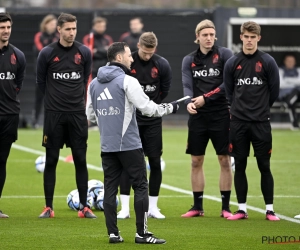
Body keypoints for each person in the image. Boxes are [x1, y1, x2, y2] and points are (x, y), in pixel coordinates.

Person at [86, 42, 178, 244]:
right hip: (129, 144)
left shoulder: (93, 84)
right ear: (119, 58)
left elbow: (90, 115)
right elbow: (148, 109)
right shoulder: (128, 81)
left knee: (110, 188)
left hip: (107, 145)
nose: (132, 58)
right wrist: (172, 107)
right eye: (129, 55)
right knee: (141, 186)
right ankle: (142, 234)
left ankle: (113, 234)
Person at [36, 13, 96, 219]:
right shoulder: (47, 53)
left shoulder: (84, 52)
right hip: (54, 115)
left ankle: (84, 207)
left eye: (74, 29)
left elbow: (86, 81)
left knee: (80, 159)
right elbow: (41, 83)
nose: (71, 33)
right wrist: (56, 102)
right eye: (68, 29)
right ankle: (48, 208)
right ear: (59, 30)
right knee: (51, 159)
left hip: (77, 115)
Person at [224, 21, 280, 221]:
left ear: (258, 38)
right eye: (246, 37)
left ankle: (270, 210)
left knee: (264, 166)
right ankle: (241, 209)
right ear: (241, 37)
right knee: (240, 165)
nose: (249, 40)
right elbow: (229, 92)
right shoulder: (232, 62)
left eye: (252, 37)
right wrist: (238, 110)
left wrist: (260, 109)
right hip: (238, 123)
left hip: (261, 123)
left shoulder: (267, 61)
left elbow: (274, 91)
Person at [181, 19, 233, 218]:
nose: (209, 38)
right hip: (198, 116)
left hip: (221, 114)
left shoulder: (225, 55)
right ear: (198, 37)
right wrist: (188, 102)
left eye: (212, 34)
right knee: (196, 160)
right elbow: (187, 84)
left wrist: (206, 98)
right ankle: (197, 207)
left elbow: (228, 84)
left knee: (224, 160)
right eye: (205, 35)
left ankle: (226, 208)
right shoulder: (189, 59)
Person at [117, 32, 172, 220]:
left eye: (151, 52)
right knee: (127, 164)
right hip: (130, 121)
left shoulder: (162, 64)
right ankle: (124, 208)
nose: (147, 56)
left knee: (155, 163)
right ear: (138, 45)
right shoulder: (127, 63)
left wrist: (150, 108)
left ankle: (153, 208)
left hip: (153, 121)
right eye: (144, 51)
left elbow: (164, 91)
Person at [0, 12, 26, 218]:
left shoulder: (18, 55)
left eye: (8, 27)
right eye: (2, 28)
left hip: (9, 116)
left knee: (1, 161)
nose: (6, 31)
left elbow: (17, 84)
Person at [32, 14, 59, 128]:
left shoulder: (57, 36)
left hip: (54, 71)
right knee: (39, 97)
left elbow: (60, 51)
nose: (53, 26)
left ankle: (54, 121)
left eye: (55, 24)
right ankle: (35, 121)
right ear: (45, 24)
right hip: (41, 71)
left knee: (54, 97)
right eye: (51, 24)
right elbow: (41, 50)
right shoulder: (39, 36)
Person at [278, 54, 300, 130]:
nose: (290, 63)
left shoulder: (298, 70)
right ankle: (295, 125)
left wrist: (287, 80)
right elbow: (281, 84)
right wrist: (295, 84)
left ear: (295, 62)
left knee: (296, 93)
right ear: (284, 62)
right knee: (293, 96)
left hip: (297, 95)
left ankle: (286, 104)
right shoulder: (280, 70)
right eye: (288, 61)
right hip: (285, 94)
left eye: (292, 61)